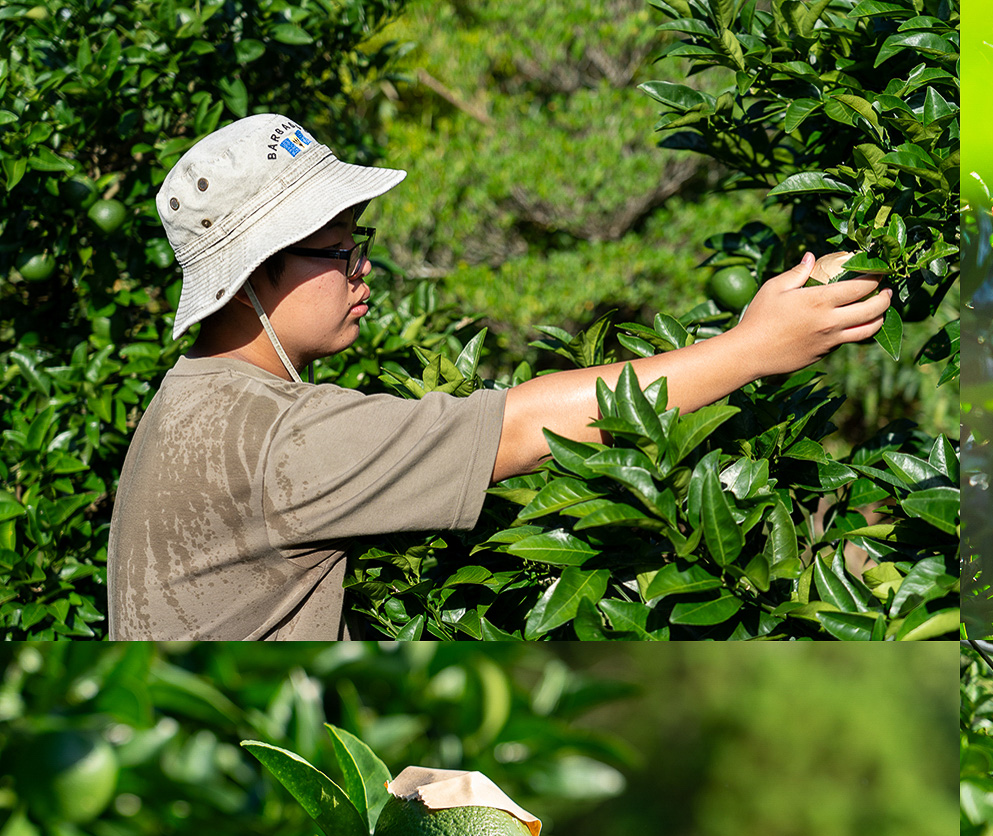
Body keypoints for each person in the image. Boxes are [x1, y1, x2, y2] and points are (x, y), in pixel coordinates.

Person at [105, 114, 892, 639]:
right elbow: (515, 428)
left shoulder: (192, 396)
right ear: (249, 278)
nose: (363, 269)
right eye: (339, 251)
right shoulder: (277, 439)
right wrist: (752, 348)